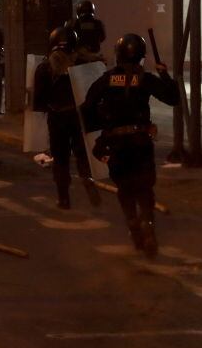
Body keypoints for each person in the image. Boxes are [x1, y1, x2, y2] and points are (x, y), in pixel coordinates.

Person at [81, 34, 179, 258]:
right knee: (145, 189)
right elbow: (173, 98)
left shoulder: (106, 80)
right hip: (141, 141)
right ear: (141, 57)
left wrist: (103, 126)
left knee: (125, 189)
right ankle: (148, 226)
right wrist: (164, 74)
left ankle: (134, 225)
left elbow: (87, 107)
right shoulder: (145, 79)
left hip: (116, 144)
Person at [32, 26, 100, 209]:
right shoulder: (84, 64)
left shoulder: (44, 68)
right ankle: (88, 179)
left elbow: (38, 102)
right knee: (82, 154)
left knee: (60, 159)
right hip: (78, 116)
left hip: (57, 118)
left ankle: (64, 198)